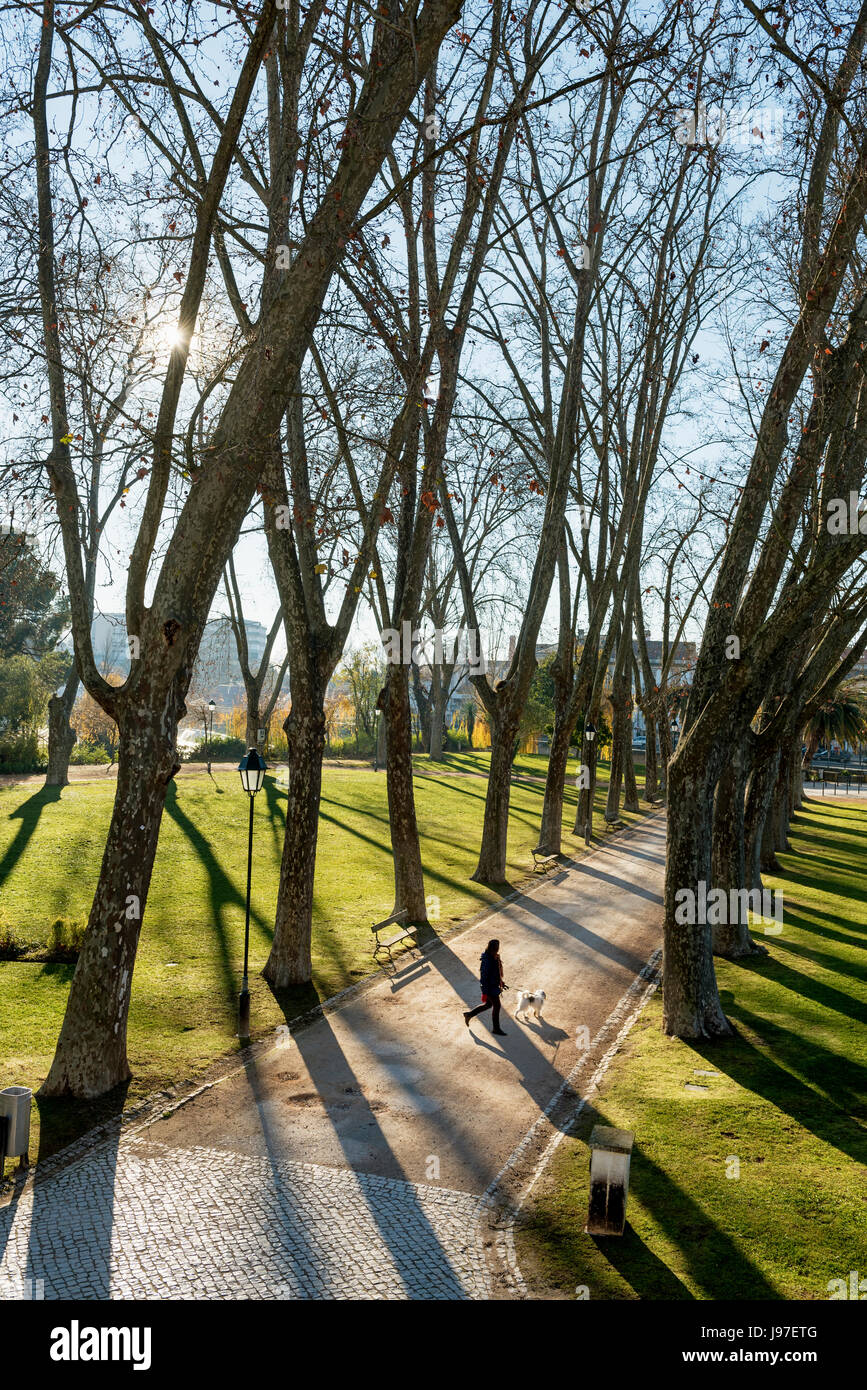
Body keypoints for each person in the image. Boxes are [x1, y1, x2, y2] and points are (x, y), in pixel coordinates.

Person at [464, 938, 508, 1035]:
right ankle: (496, 1029)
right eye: (497, 947)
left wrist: (501, 982)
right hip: (489, 988)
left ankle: (469, 1015)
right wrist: (485, 992)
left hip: (493, 986)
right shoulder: (487, 960)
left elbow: (495, 973)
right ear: (493, 948)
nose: (498, 949)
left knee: (488, 1005)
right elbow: (484, 977)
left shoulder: (494, 957)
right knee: (497, 1006)